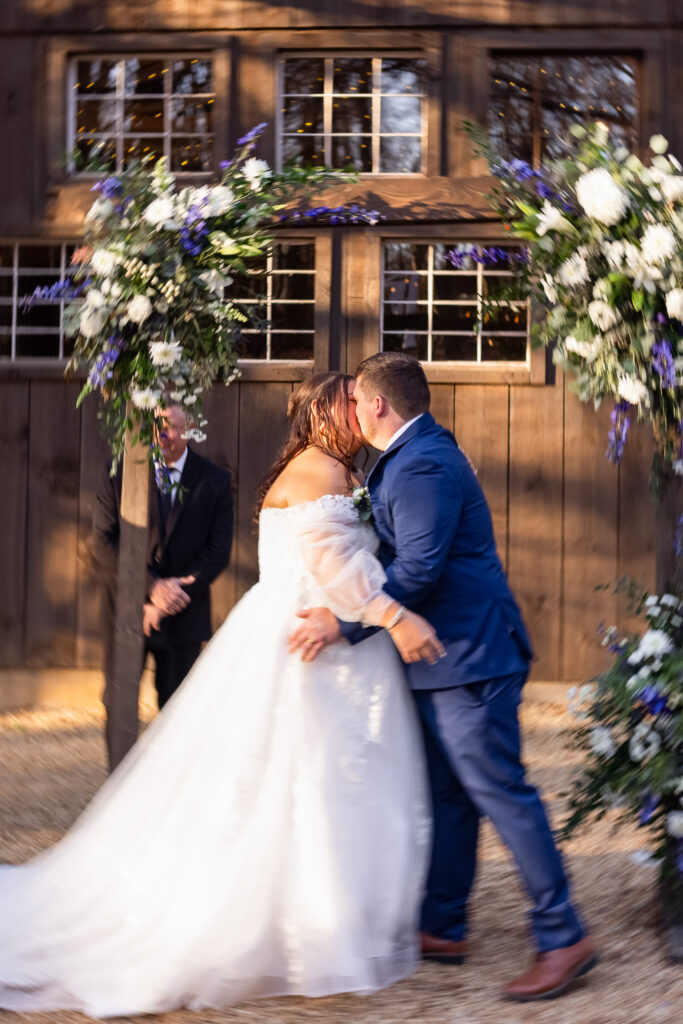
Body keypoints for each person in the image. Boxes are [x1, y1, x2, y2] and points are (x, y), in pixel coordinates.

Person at [0, 372, 437, 1017]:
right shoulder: (319, 472)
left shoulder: (327, 468)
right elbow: (336, 571)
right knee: (302, 778)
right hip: (306, 645)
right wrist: (392, 613)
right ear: (324, 413)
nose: (357, 413)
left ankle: (315, 912)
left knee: (310, 782)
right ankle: (298, 924)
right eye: (347, 403)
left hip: (314, 638)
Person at [290, 352, 597, 1002]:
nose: (348, 411)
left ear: (375, 405)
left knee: (500, 792)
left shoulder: (423, 460)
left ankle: (562, 933)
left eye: (354, 401)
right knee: (449, 795)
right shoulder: (414, 453)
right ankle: (443, 923)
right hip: (440, 660)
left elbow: (421, 568)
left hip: (468, 655)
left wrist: (345, 625)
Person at [94, 403, 234, 767]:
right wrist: (148, 589)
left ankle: (170, 792)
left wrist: (167, 598)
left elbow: (217, 553)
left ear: (190, 429)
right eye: (157, 427)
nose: (163, 436)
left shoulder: (214, 480)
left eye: (171, 428)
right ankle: (118, 786)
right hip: (126, 611)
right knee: (118, 702)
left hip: (183, 615)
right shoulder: (120, 471)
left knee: (178, 709)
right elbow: (103, 542)